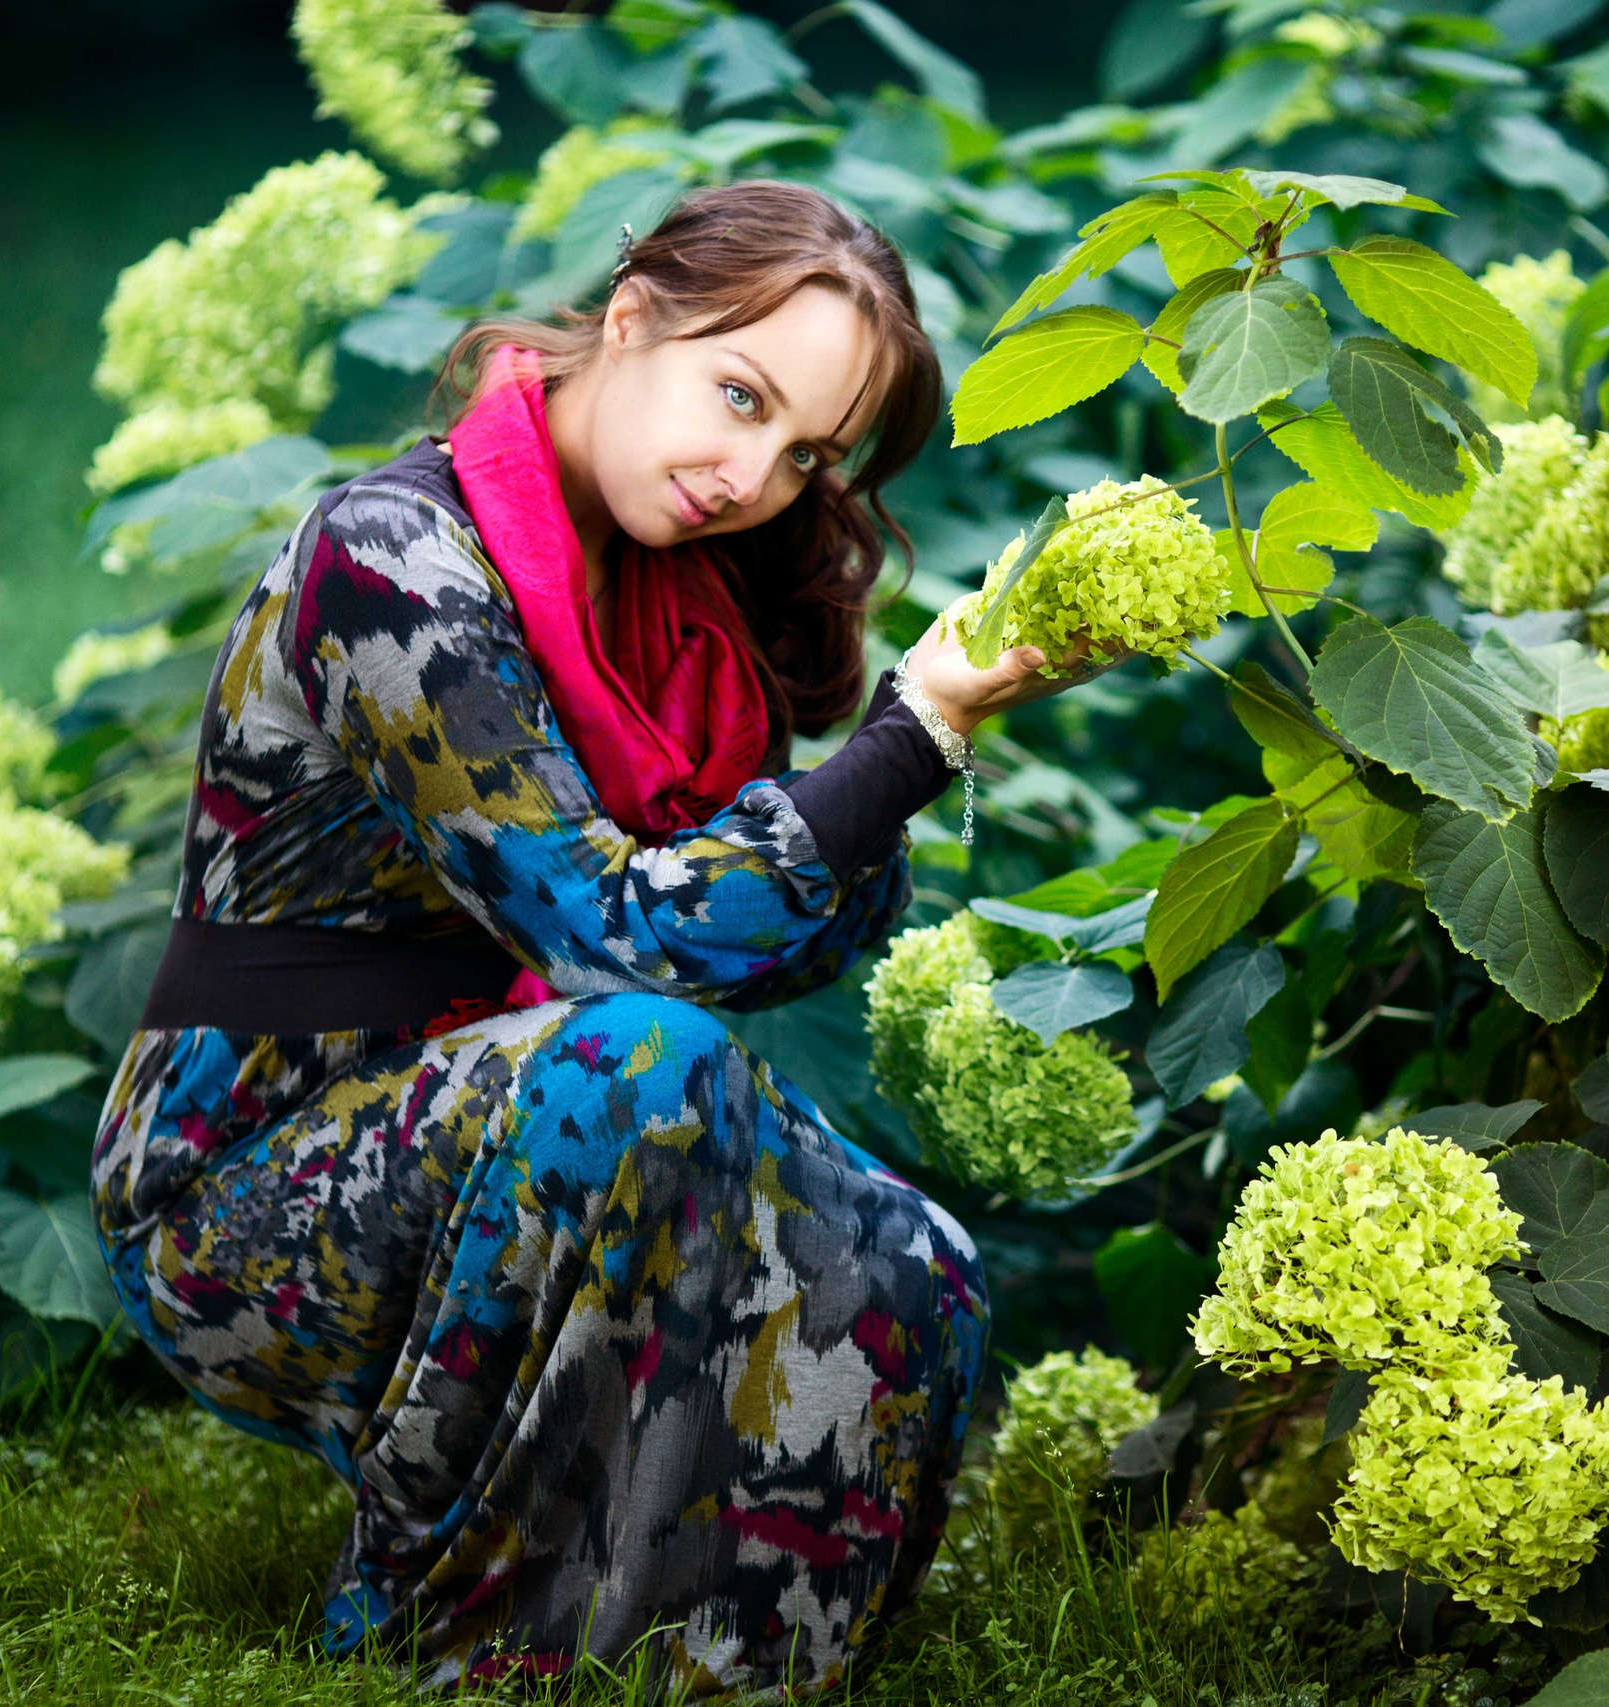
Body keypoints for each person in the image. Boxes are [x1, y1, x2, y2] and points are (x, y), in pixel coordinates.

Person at [89, 181, 1084, 1693]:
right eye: (739, 396)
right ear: (633, 319)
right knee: (644, 1060)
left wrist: (894, 760)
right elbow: (616, 935)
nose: (751, 477)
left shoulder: (675, 602)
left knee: (910, 1263)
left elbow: (781, 950)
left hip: (525, 1118)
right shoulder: (390, 560)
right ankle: (433, 1630)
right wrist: (906, 744)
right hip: (239, 1187)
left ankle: (726, 1667)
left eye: (804, 455)